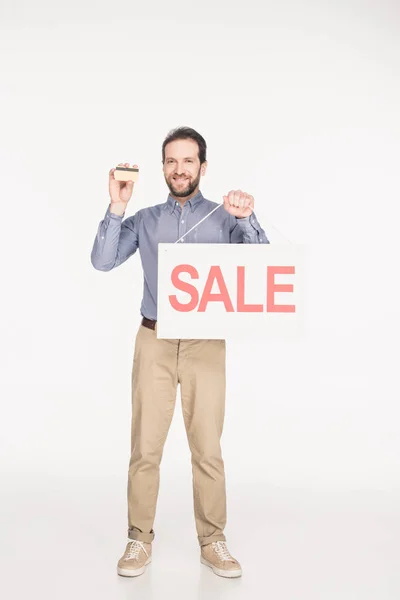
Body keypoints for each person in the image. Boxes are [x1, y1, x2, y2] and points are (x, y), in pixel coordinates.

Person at [91, 126, 269, 579]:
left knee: (207, 446)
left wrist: (246, 220)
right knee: (145, 445)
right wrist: (118, 205)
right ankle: (138, 538)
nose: (179, 168)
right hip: (154, 339)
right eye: (171, 161)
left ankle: (213, 540)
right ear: (163, 167)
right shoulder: (146, 219)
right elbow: (103, 260)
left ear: (202, 167)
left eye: (188, 161)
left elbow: (260, 267)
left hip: (206, 343)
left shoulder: (224, 216)